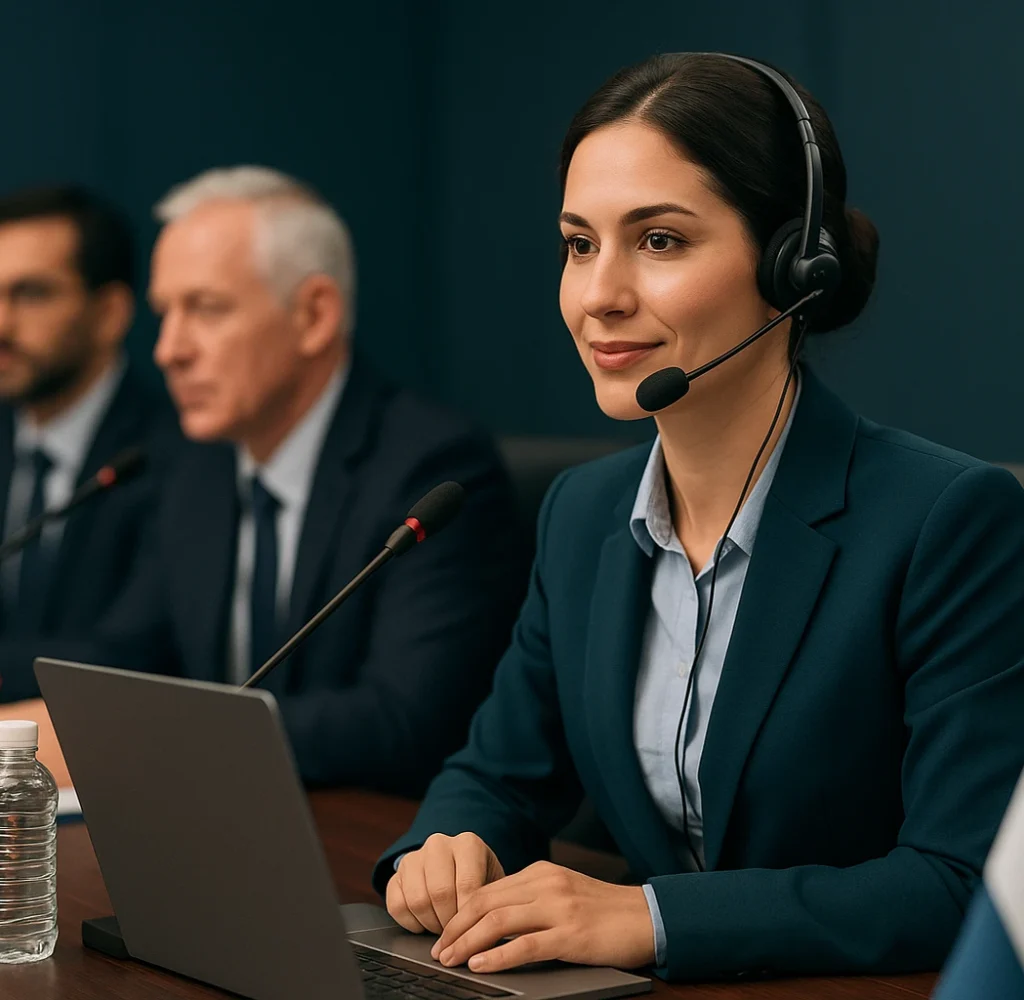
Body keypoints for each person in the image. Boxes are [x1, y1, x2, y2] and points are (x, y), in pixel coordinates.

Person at [373, 54, 1024, 981]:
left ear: (794, 265)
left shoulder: (945, 520)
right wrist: (444, 847)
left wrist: (651, 917)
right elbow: (496, 773)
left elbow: (960, 880)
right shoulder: (582, 513)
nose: (599, 295)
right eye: (579, 243)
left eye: (660, 241)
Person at [94, 166, 525, 794]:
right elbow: (124, 654)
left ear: (314, 315)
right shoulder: (197, 467)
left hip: (385, 845)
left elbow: (405, 718)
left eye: (206, 309)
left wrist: (158, 735)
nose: (168, 350)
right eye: (165, 314)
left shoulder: (432, 467)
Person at [0, 186, 176, 711]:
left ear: (110, 314)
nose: (2, 324)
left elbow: (129, 658)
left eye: (31, 294)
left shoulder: (177, 453)